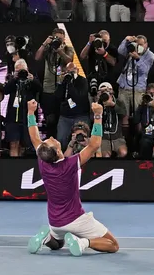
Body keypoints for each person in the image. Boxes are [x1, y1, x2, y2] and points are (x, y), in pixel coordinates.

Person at [26, 99, 119, 256]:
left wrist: (30, 112)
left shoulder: (43, 161)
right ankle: (82, 243)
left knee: (58, 244)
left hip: (54, 222)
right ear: (58, 152)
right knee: (113, 245)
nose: (52, 138)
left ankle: (48, 238)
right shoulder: (70, 164)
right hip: (76, 220)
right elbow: (95, 145)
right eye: (52, 141)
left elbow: (35, 137)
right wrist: (98, 115)